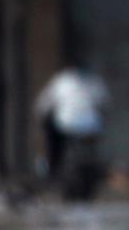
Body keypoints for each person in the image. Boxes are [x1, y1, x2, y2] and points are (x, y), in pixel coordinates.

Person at [34, 64, 110, 194]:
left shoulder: (62, 80)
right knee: (92, 151)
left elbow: (43, 104)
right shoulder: (95, 81)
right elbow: (104, 102)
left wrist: (41, 117)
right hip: (91, 127)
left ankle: (52, 171)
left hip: (66, 125)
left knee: (53, 146)